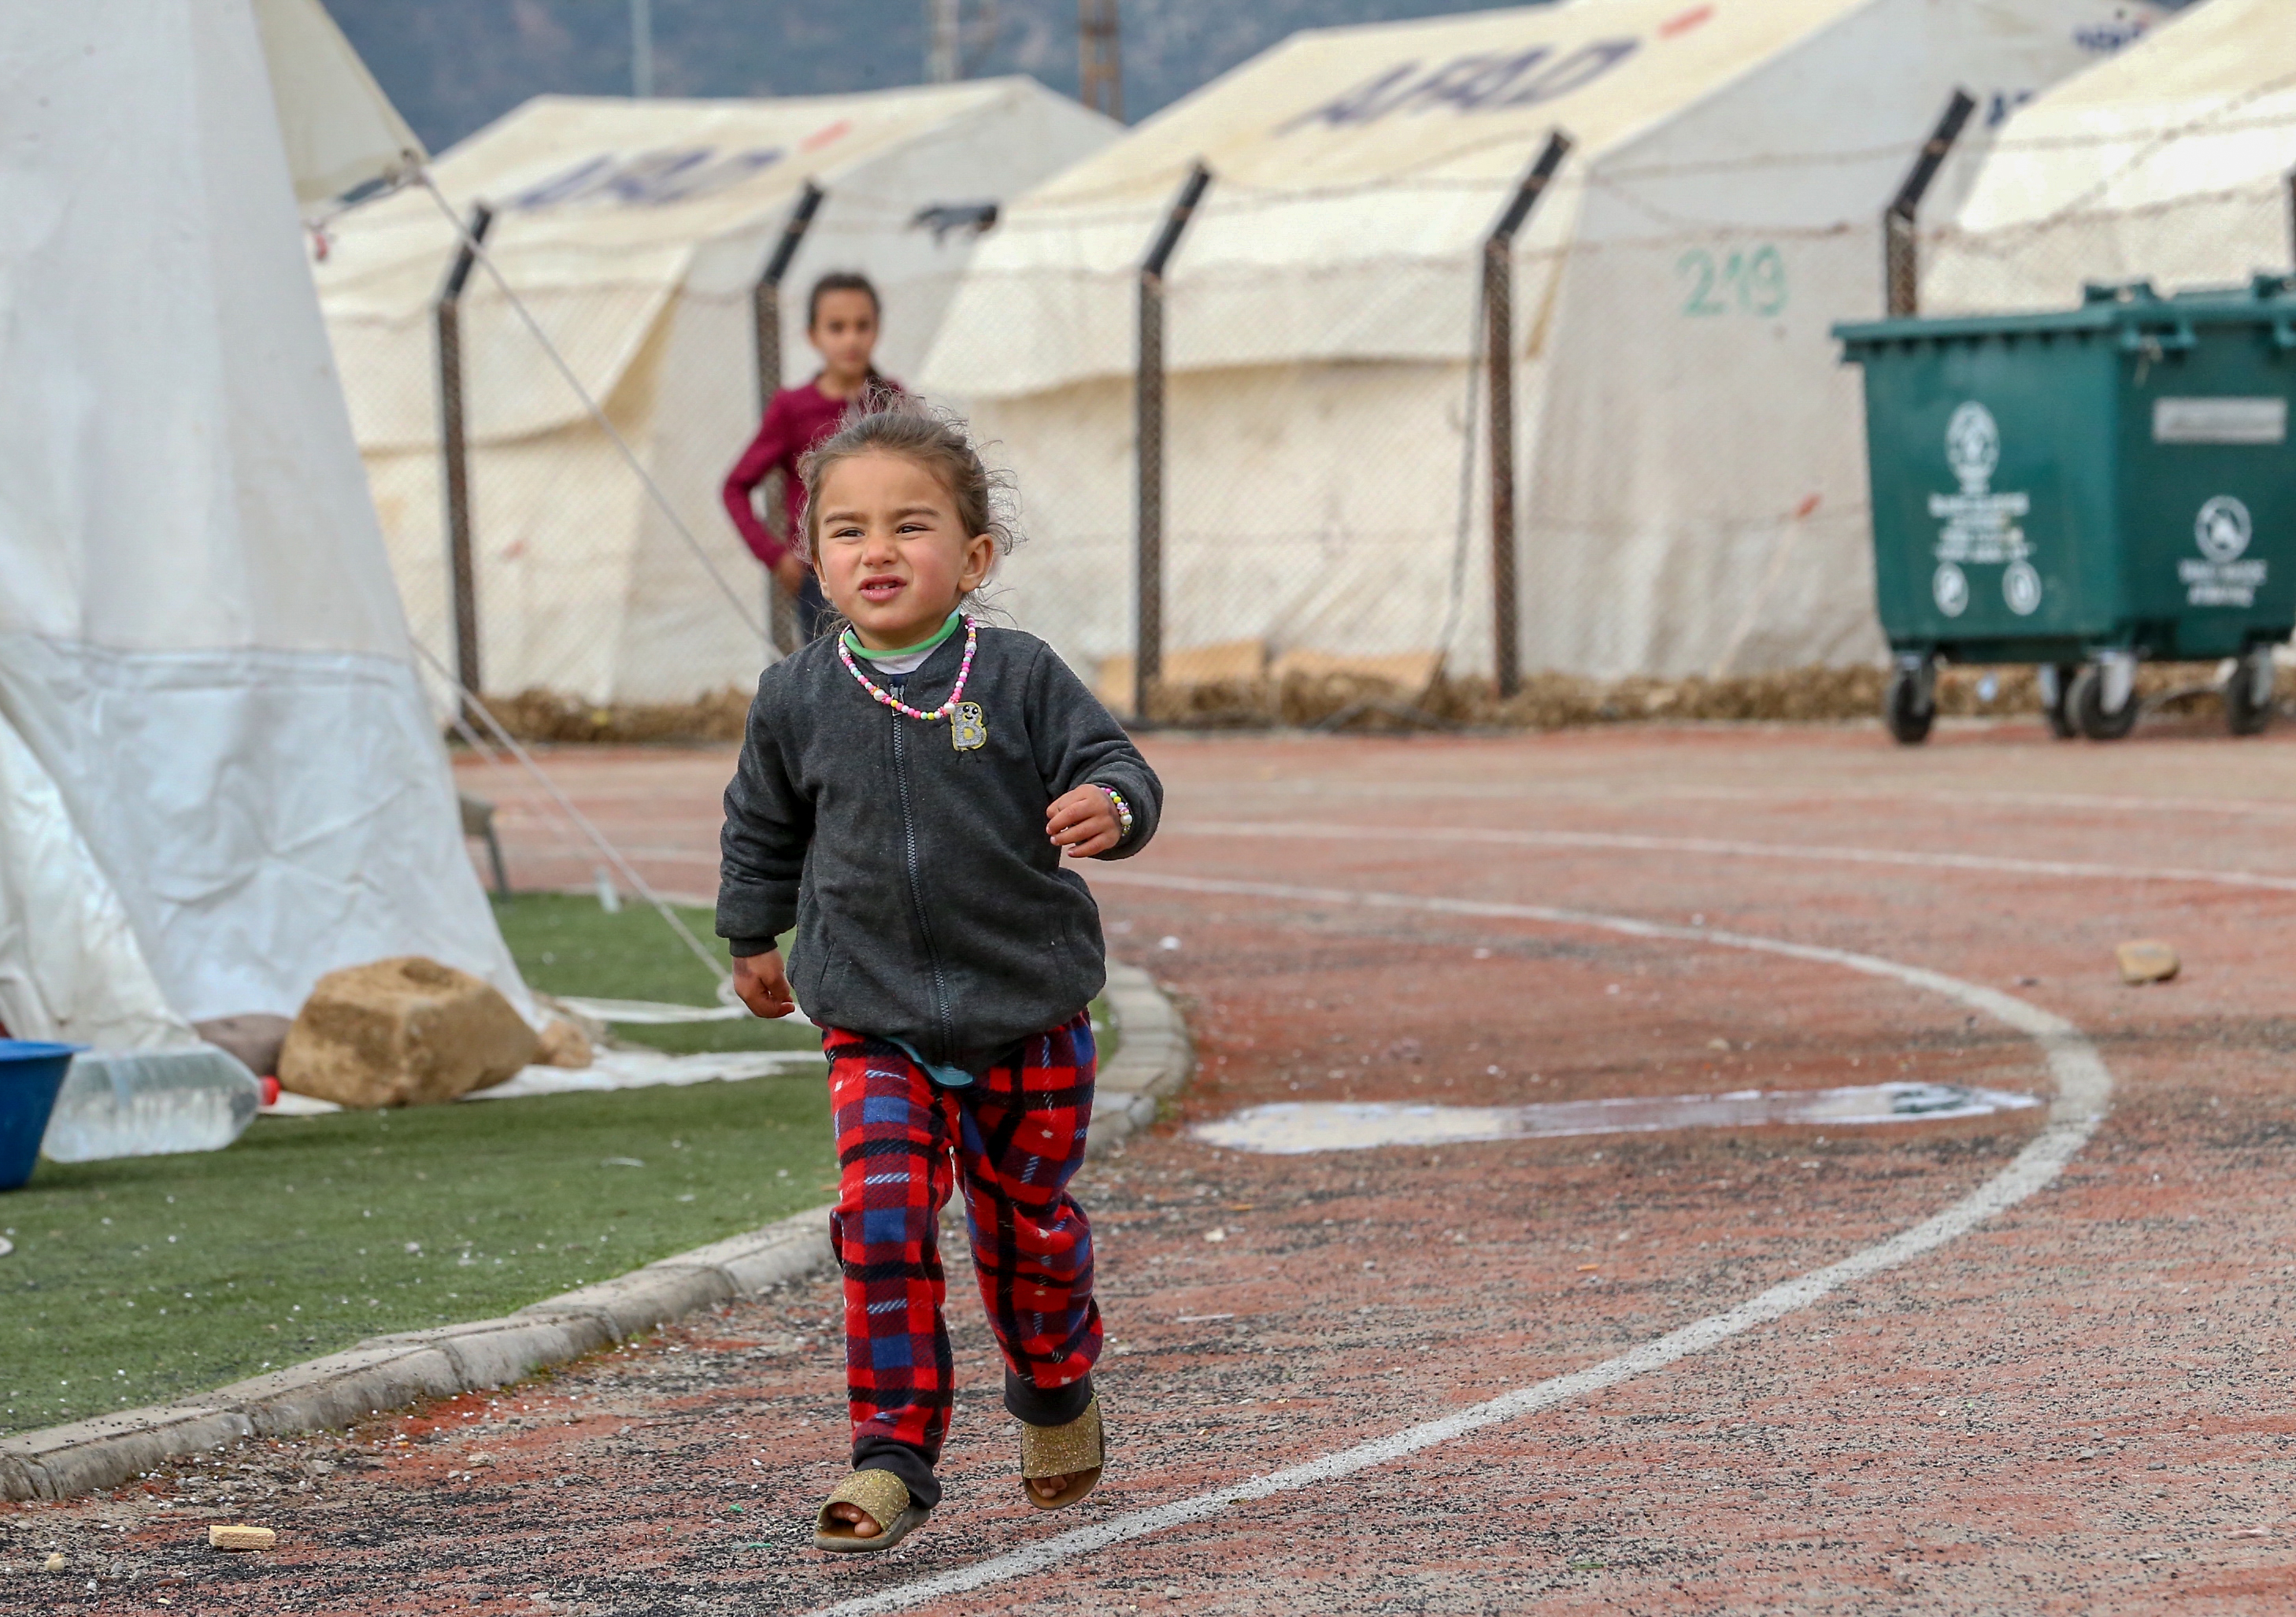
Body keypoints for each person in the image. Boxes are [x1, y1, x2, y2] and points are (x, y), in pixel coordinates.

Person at [715, 404, 1162, 1555]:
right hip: (873, 1017)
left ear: (972, 558)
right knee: (883, 1217)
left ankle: (1056, 1385)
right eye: (847, 530)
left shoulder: (1015, 675)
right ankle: (891, 1455)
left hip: (1029, 1011)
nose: (877, 551)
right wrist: (752, 934)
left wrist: (1112, 804)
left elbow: (1116, 762)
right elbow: (759, 827)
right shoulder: (794, 697)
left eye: (909, 527)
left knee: (1028, 1229)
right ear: (814, 559)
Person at [721, 270, 898, 644]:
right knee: (831, 682)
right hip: (822, 580)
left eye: (861, 326)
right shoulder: (793, 408)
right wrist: (777, 558)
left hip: (887, 567)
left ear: (877, 330)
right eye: (837, 327)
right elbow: (735, 487)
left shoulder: (892, 399)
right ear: (813, 335)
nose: (851, 339)